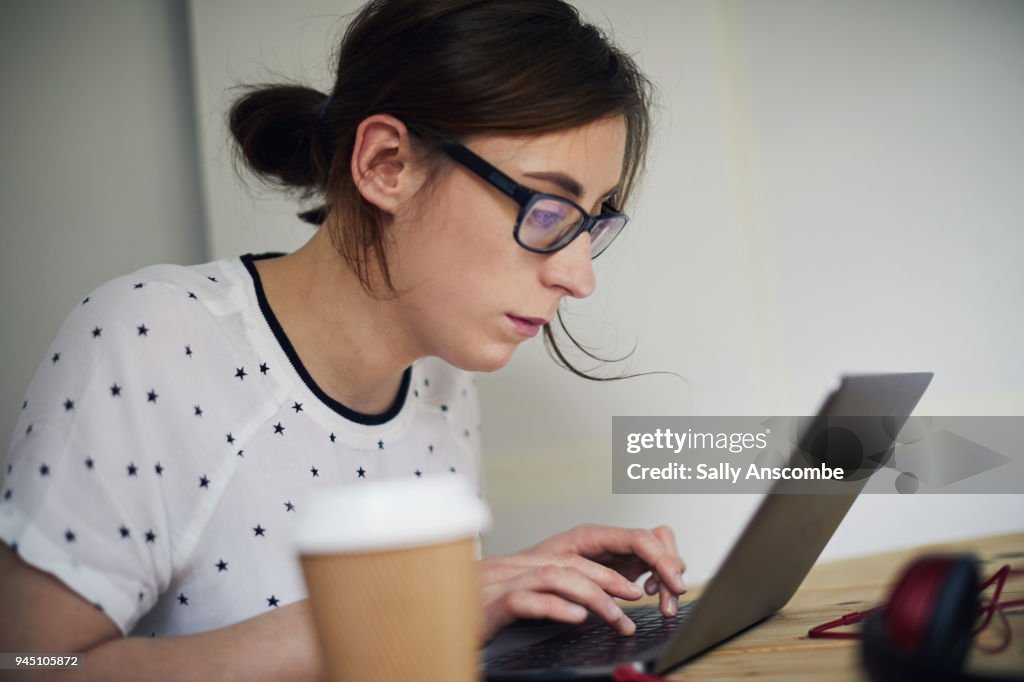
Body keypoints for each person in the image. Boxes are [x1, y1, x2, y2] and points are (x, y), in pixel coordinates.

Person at [0, 0, 687, 678]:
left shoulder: (444, 380)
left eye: (592, 223)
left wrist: (521, 592)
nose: (578, 277)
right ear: (388, 164)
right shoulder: (146, 340)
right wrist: (422, 608)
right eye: (546, 209)